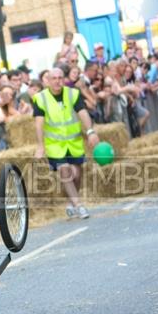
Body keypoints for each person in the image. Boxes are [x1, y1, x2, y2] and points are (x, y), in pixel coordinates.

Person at [32, 67, 99, 219]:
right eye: (54, 78)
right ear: (48, 81)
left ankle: (71, 202)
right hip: (54, 145)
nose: (57, 81)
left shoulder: (72, 94)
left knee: (76, 174)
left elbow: (83, 113)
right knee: (64, 171)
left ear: (64, 79)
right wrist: (40, 146)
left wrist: (90, 131)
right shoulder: (40, 98)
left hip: (74, 142)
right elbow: (39, 124)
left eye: (60, 78)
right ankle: (79, 205)